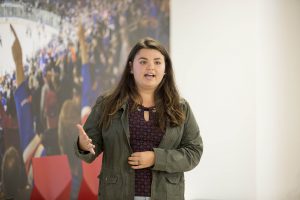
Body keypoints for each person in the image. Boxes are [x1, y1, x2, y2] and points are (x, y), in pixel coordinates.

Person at [74, 37, 203, 200]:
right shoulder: (107, 104)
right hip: (117, 194)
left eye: (157, 62)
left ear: (165, 69)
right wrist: (83, 146)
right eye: (143, 62)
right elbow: (90, 150)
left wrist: (157, 158)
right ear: (131, 67)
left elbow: (194, 151)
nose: (150, 67)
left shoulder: (180, 107)